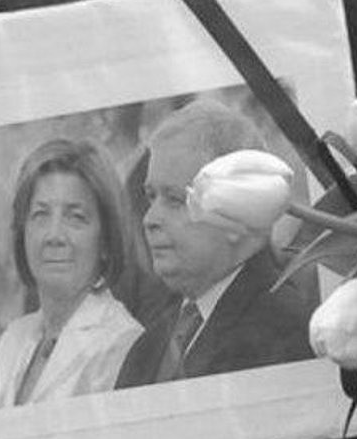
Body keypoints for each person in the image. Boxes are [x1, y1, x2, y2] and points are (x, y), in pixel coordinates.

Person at [115, 100, 314, 389]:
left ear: (238, 211)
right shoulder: (147, 348)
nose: (149, 219)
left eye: (175, 199)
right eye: (151, 197)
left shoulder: (286, 332)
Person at [0, 139, 143, 407]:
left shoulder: (124, 344)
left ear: (105, 240)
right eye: (40, 215)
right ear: (22, 231)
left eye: (75, 217)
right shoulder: (12, 340)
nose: (54, 235)